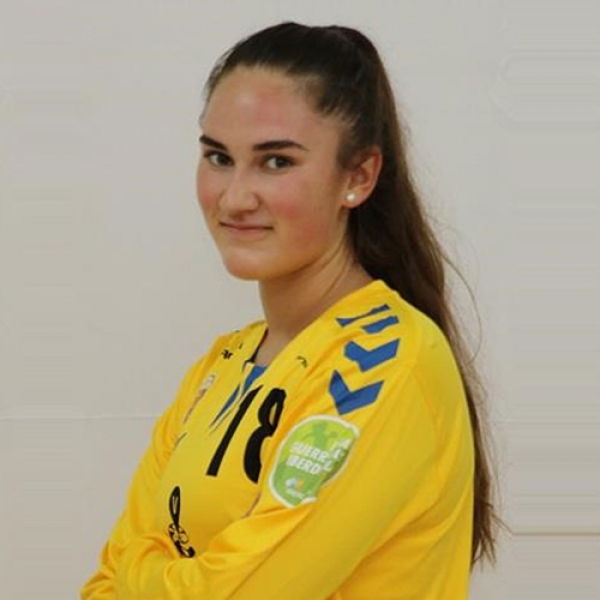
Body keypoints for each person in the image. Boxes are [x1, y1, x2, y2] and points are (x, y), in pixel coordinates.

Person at [81, 21, 502, 600]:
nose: (234, 197)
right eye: (218, 157)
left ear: (359, 176)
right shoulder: (219, 368)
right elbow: (102, 581)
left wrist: (143, 572)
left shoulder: (386, 364)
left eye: (276, 162)